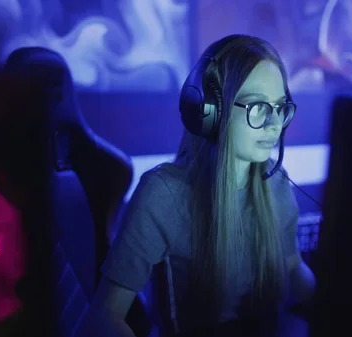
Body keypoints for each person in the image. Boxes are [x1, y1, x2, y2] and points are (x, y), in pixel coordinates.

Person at [78, 34, 316, 337]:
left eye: (280, 107)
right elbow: (104, 317)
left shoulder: (277, 183)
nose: (274, 124)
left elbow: (294, 269)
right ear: (211, 113)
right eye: (258, 106)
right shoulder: (162, 195)